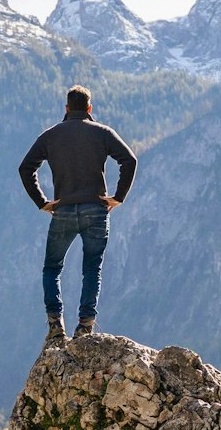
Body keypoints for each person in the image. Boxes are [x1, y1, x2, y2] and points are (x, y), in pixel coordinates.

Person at [18, 85, 138, 346]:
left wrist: (42, 202)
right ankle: (85, 326)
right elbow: (129, 160)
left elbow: (26, 168)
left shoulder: (51, 136)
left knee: (52, 268)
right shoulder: (102, 133)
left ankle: (55, 325)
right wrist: (118, 197)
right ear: (89, 108)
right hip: (96, 209)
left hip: (63, 211)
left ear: (66, 108)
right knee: (92, 268)